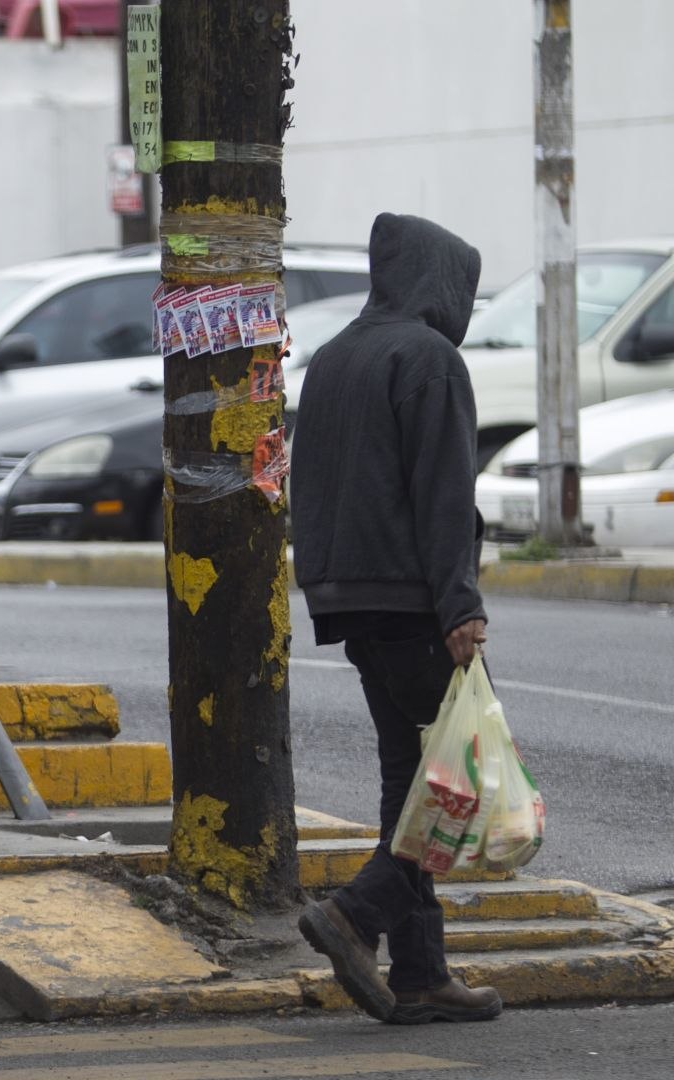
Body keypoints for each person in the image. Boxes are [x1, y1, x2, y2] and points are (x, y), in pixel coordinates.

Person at [291, 212, 502, 1026]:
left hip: (351, 598)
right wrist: (461, 605)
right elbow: (444, 494)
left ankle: (420, 972)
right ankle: (355, 912)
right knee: (452, 785)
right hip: (415, 601)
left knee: (407, 785)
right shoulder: (430, 358)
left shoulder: (336, 355)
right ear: (445, 284)